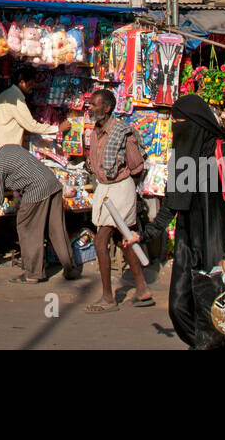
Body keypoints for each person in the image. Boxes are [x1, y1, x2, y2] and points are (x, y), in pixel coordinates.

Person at [133, 95, 225, 349]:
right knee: (178, 307)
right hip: (187, 238)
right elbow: (172, 203)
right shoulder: (181, 155)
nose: (176, 127)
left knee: (216, 307)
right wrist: (146, 234)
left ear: (195, 122)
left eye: (180, 121)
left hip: (217, 238)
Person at [0, 140, 81, 284]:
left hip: (36, 191)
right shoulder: (8, 147)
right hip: (52, 183)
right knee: (57, 229)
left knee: (26, 228)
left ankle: (34, 273)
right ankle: (70, 268)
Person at [83, 89, 153, 312]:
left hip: (121, 189)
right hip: (104, 189)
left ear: (107, 108)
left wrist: (126, 189)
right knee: (126, 240)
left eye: (95, 105)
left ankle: (108, 298)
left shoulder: (123, 132)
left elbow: (136, 166)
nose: (91, 108)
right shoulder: (95, 131)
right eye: (90, 104)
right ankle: (142, 288)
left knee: (101, 241)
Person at [0, 67, 72, 150]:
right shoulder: (15, 98)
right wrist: (57, 128)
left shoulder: (7, 93)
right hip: (3, 146)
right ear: (22, 83)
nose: (32, 87)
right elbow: (31, 125)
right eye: (30, 84)